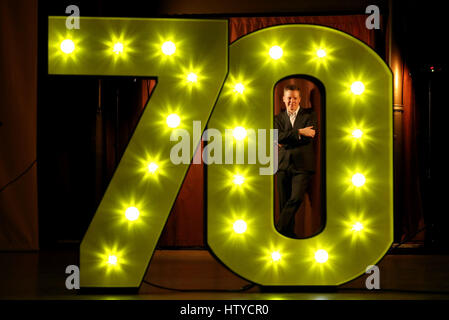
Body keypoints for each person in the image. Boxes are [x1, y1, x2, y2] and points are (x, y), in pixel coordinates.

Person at [274, 84, 317, 238]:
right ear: (284, 99)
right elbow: (276, 137)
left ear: (300, 100)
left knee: (295, 199)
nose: (292, 101)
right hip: (283, 165)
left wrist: (286, 138)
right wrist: (299, 132)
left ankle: (277, 230)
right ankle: (287, 236)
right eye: (289, 98)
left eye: (295, 98)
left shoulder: (309, 116)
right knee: (283, 203)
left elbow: (309, 136)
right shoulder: (277, 118)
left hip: (303, 166)